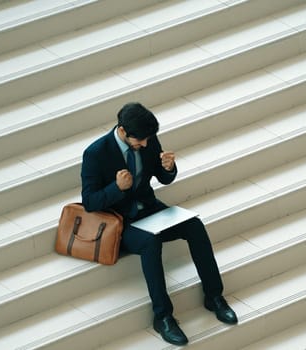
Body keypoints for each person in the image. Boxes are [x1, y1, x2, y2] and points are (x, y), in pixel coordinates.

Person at [81, 102, 237, 346]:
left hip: (149, 209)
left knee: (194, 225)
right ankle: (163, 316)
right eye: (140, 140)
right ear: (122, 131)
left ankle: (214, 296)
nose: (145, 144)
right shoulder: (96, 153)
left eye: (147, 140)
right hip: (121, 222)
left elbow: (163, 178)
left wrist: (169, 168)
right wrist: (115, 189)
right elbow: (89, 202)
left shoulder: (148, 139)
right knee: (150, 242)